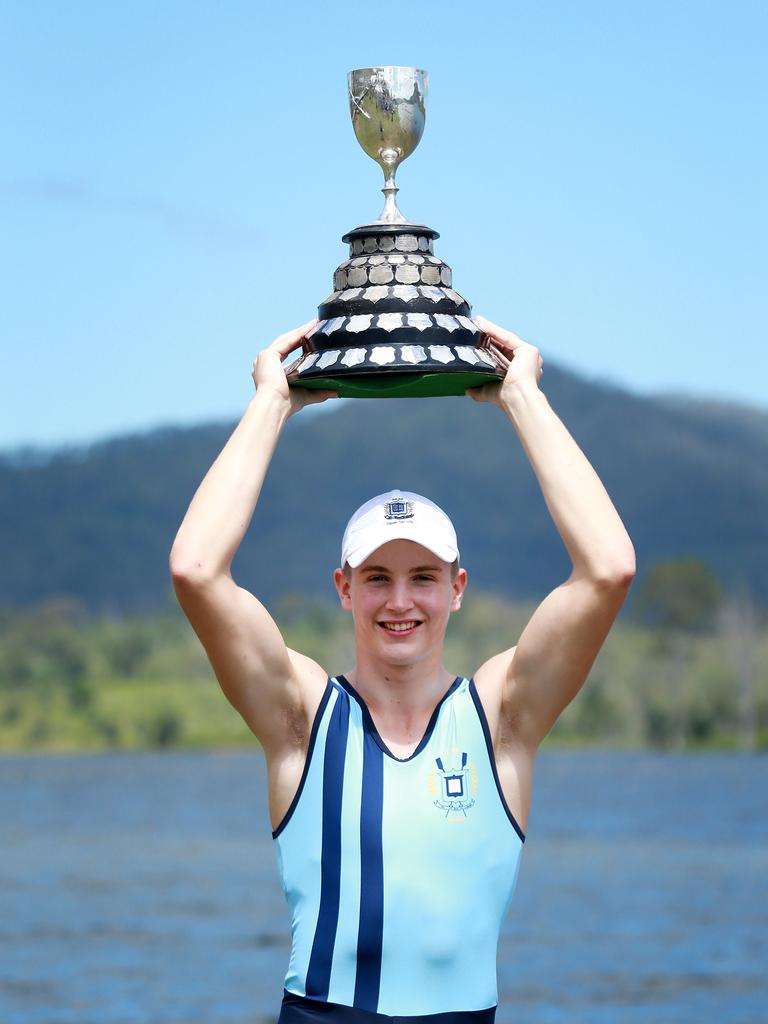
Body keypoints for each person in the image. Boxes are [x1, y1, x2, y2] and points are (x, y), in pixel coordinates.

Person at [169, 314, 636, 1024]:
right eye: (377, 577)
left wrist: (524, 397)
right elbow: (197, 572)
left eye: (422, 576)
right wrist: (271, 401)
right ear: (344, 588)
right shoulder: (301, 718)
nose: (399, 600)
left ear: (457, 587)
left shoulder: (501, 718)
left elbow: (608, 570)